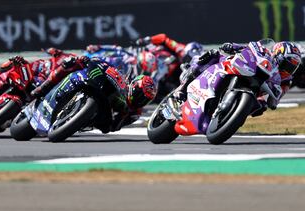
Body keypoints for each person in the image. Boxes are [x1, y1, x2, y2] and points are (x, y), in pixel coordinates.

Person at [174, 40, 302, 116]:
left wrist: (270, 101)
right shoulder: (265, 52)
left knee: (260, 107)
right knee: (213, 54)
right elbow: (248, 48)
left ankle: (229, 117)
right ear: (278, 56)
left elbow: (275, 100)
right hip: (238, 68)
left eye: (292, 68)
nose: (288, 70)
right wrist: (232, 46)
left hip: (255, 89)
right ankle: (183, 87)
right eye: (287, 65)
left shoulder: (286, 80)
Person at [30, 55, 157, 132]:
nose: (141, 101)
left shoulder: (135, 112)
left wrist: (121, 117)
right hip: (94, 82)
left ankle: (77, 119)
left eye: (145, 100)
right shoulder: (122, 78)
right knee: (71, 63)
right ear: (134, 86)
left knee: (106, 127)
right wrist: (89, 61)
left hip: (101, 113)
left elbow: (113, 128)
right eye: (140, 95)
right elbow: (101, 62)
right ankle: (43, 87)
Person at [0, 48, 77, 105]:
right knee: (10, 65)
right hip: (33, 72)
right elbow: (52, 50)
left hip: (43, 86)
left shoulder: (71, 73)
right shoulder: (56, 58)